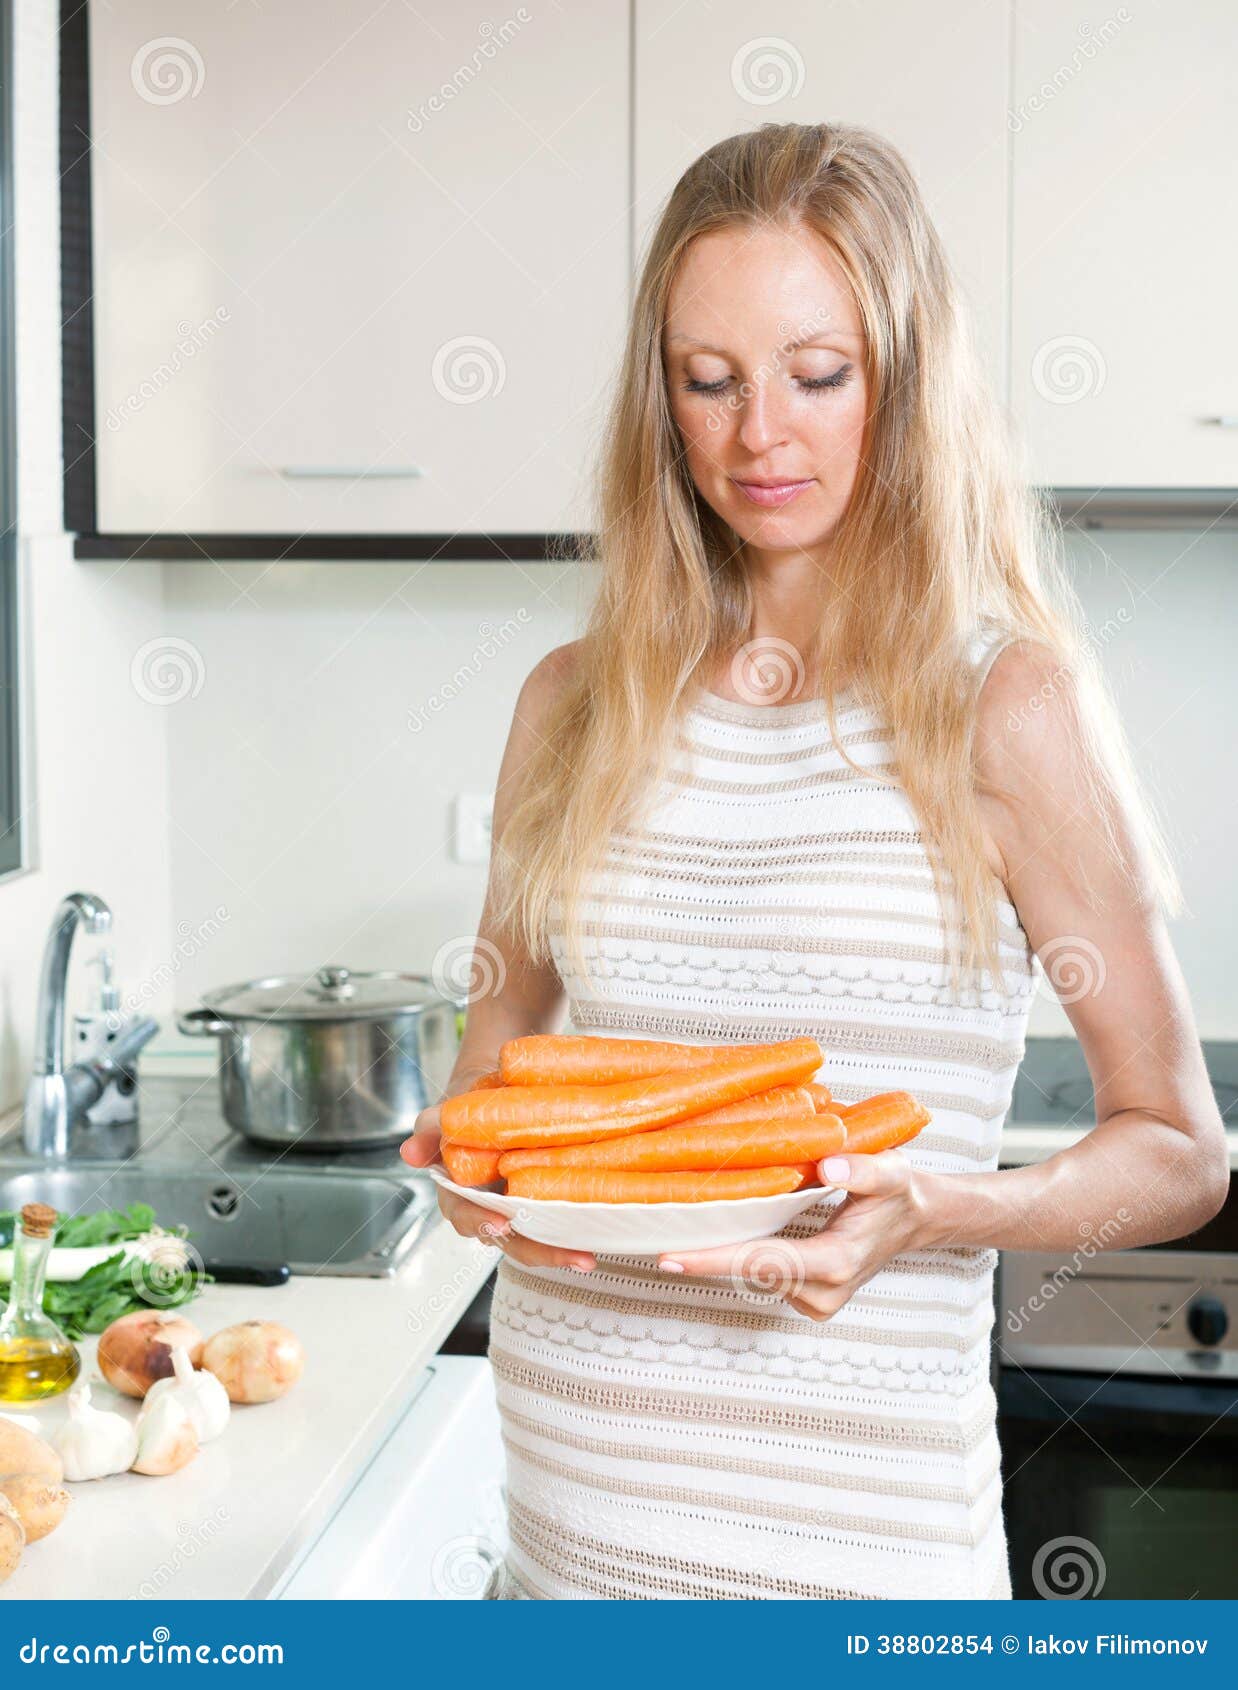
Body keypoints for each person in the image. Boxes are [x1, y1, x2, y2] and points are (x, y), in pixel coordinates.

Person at [403, 122, 1228, 1600]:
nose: (754, 435)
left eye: (815, 373)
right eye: (705, 380)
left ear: (904, 381)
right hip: (565, 1546)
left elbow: (1177, 1146)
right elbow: (502, 1044)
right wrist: (474, 1166)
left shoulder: (1000, 706)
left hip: (852, 1567)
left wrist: (942, 1204)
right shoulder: (570, 701)